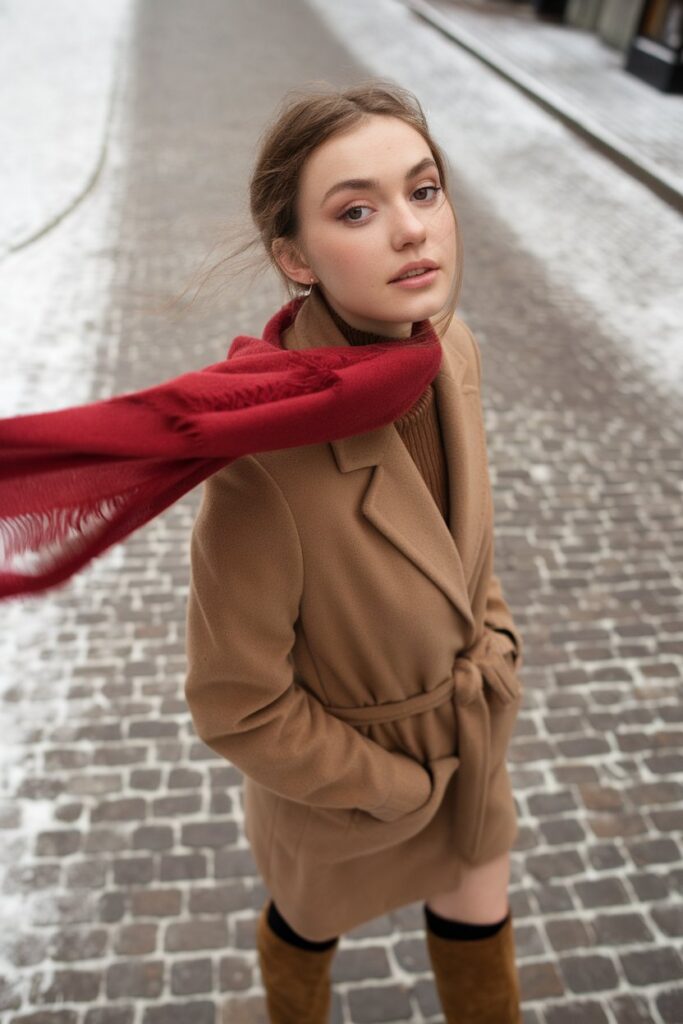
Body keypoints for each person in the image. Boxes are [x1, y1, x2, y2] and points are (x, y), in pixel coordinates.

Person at [183, 79, 525, 1024]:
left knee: (481, 929)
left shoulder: (450, 350)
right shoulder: (265, 456)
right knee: (305, 930)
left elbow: (465, 551)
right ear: (293, 255)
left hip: (466, 744)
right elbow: (234, 702)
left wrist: (497, 646)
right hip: (343, 790)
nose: (412, 230)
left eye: (424, 190)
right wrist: (389, 788)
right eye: (357, 210)